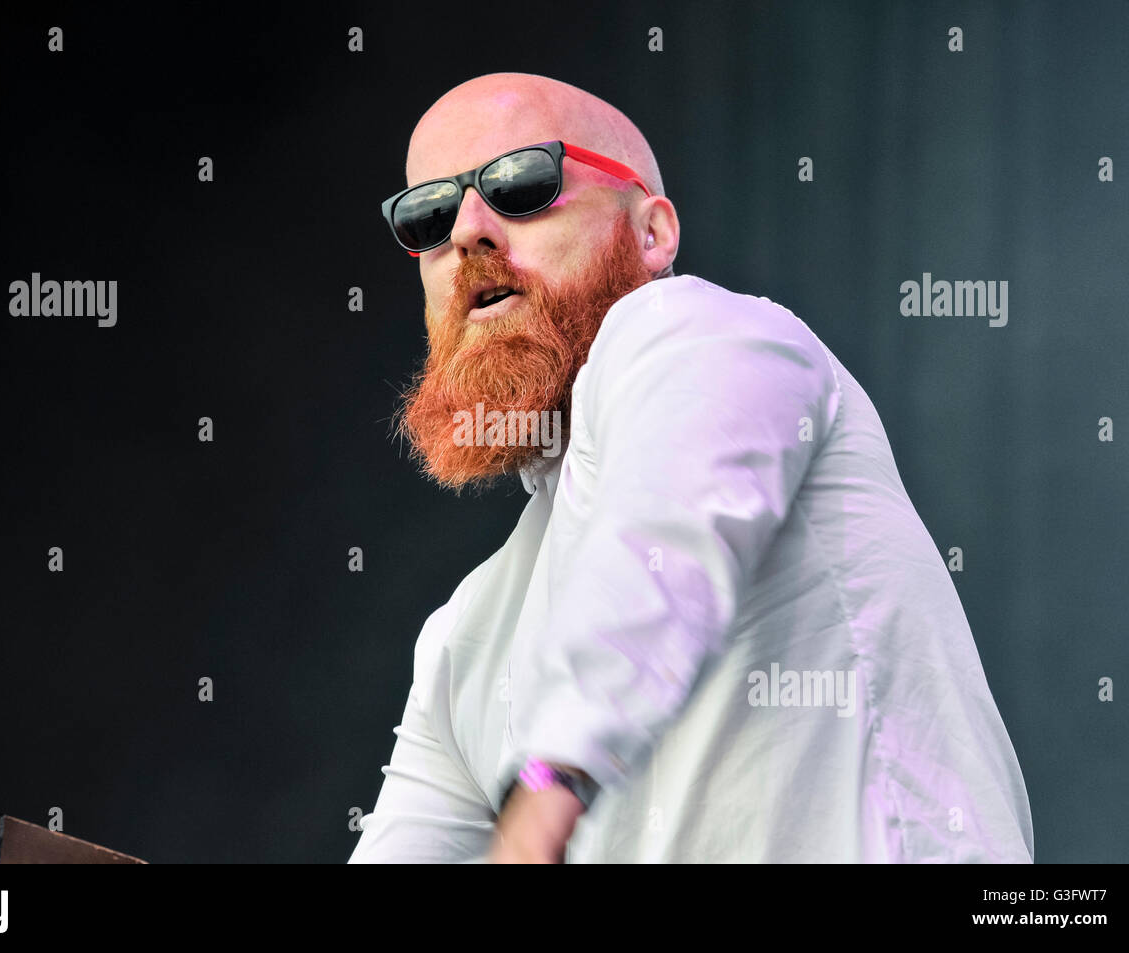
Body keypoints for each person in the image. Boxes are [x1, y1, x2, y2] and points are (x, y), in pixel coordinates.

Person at [349, 71, 1034, 863]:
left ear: (653, 232)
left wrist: (545, 784)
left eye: (521, 184)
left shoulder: (696, 328)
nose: (469, 230)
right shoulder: (464, 638)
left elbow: (664, 536)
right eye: (430, 214)